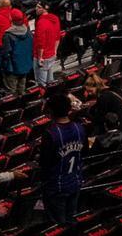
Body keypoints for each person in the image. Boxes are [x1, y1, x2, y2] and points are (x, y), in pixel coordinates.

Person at [38, 97, 88, 226]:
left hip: (56, 186)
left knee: (57, 225)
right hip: (75, 181)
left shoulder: (51, 134)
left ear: (51, 112)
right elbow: (85, 153)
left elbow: (44, 162)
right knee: (70, 220)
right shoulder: (79, 128)